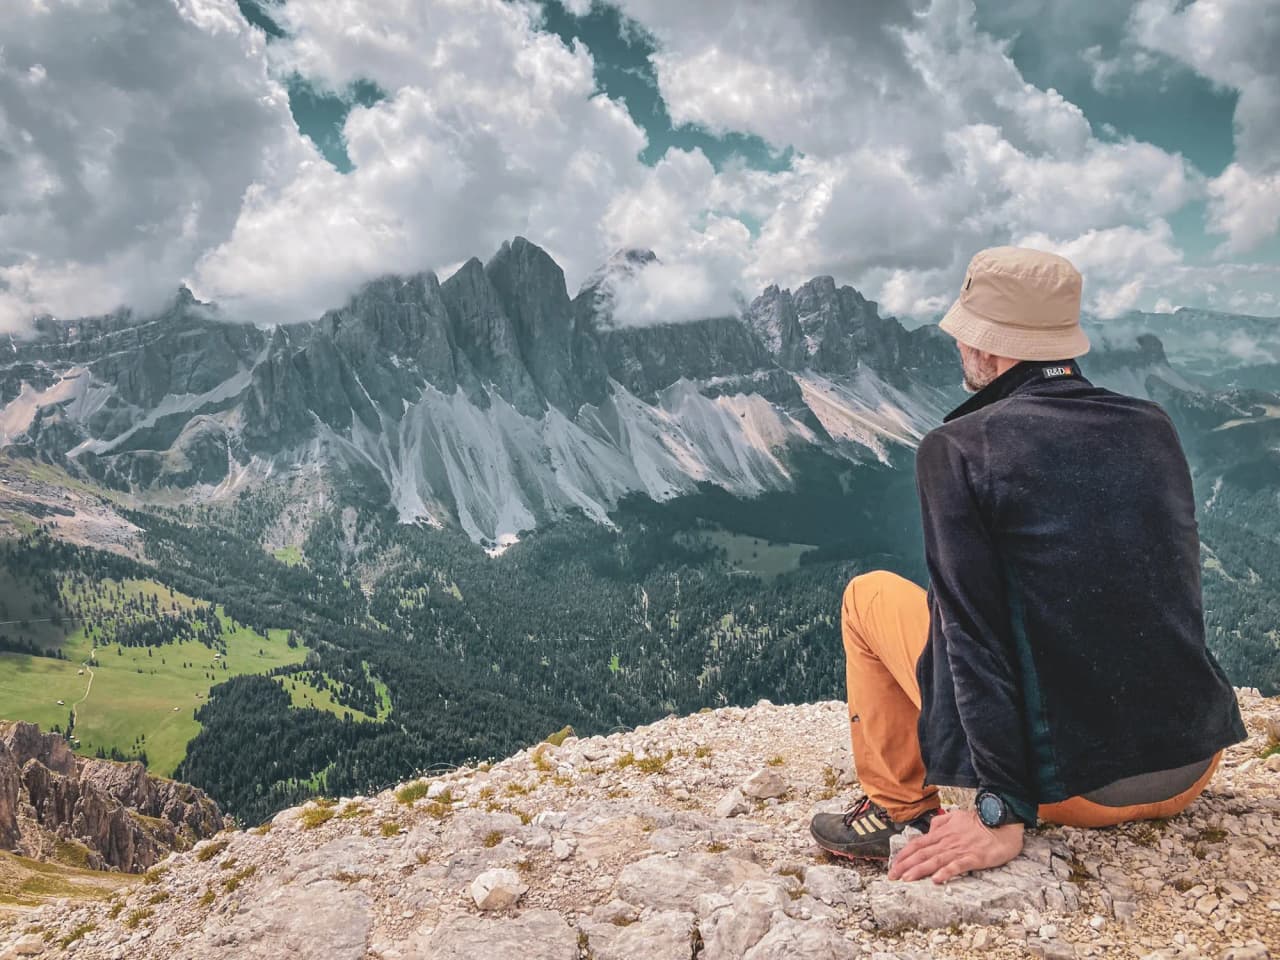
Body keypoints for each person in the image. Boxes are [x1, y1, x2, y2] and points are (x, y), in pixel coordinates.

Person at [808, 246, 1247, 884]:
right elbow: (1175, 589)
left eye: (966, 332)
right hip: (1193, 764)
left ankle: (899, 809)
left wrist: (1001, 809)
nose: (959, 345)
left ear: (989, 347)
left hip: (1080, 793)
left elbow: (970, 631)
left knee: (867, 594)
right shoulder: (1153, 424)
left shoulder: (958, 447)